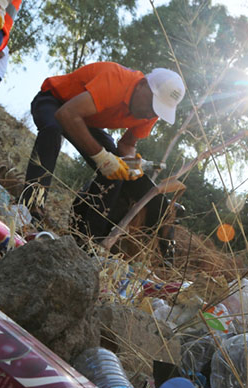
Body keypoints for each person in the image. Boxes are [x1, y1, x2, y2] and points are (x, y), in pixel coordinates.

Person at [22, 62, 185, 251]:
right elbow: (66, 114)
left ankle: (87, 239)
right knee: (51, 130)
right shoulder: (115, 80)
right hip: (55, 100)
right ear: (142, 84)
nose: (150, 113)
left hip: (86, 118)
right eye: (151, 104)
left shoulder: (151, 112)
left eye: (156, 110)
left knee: (116, 171)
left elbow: (127, 144)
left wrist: (130, 165)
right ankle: (29, 208)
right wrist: (101, 157)